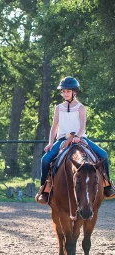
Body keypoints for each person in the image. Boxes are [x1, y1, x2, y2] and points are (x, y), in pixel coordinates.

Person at [36, 76, 115, 204]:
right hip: (62, 139)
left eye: (67, 91)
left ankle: (107, 186)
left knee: (104, 155)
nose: (65, 93)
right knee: (44, 160)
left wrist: (77, 137)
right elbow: (54, 126)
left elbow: (82, 125)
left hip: (80, 138)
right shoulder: (58, 108)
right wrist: (50, 143)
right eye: (63, 91)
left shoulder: (81, 107)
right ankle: (44, 190)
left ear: (74, 92)